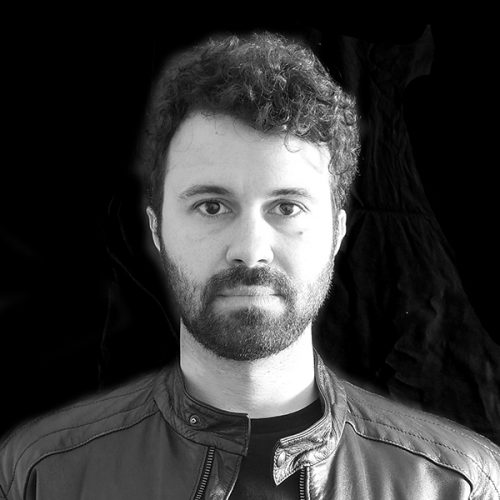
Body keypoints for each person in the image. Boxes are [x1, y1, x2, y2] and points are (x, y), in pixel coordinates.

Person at [1, 31, 499, 500]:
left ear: (337, 233)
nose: (250, 249)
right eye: (212, 206)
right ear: (156, 229)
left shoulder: (458, 485)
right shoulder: (42, 474)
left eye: (287, 207)